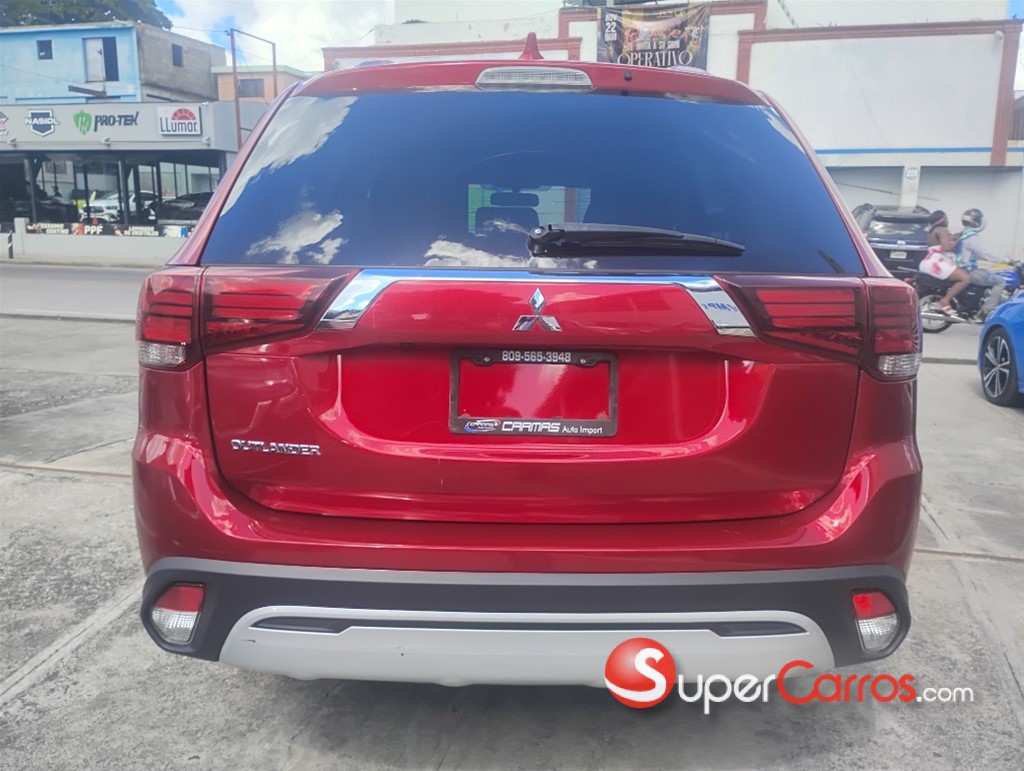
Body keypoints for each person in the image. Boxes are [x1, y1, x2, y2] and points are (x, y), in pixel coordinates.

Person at [955, 208, 1006, 319]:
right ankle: (986, 311)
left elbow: (977, 254)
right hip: (969, 271)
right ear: (976, 221)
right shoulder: (972, 236)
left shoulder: (963, 233)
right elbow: (983, 253)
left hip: (961, 269)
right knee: (1000, 281)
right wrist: (1004, 260)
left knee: (987, 273)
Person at [920, 210, 970, 315]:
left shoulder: (932, 231)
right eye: (947, 218)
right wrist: (958, 240)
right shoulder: (943, 230)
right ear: (942, 219)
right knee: (965, 279)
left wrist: (953, 238)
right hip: (938, 263)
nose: (948, 221)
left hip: (928, 262)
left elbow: (941, 243)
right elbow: (946, 247)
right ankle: (945, 300)